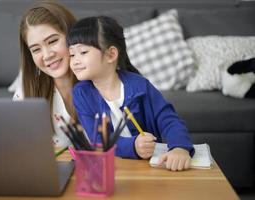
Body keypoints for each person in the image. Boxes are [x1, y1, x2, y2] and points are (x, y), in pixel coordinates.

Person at [67, 16, 195, 171]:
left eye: (83, 52)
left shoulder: (140, 85)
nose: (74, 61)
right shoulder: (81, 93)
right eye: (72, 54)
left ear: (111, 54)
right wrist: (133, 146)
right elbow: (98, 141)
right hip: (111, 170)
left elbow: (169, 119)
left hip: (149, 169)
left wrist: (179, 148)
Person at [13, 0, 77, 148]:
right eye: (36, 49)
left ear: (72, 35)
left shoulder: (102, 80)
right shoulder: (25, 92)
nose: (47, 55)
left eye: (53, 41)